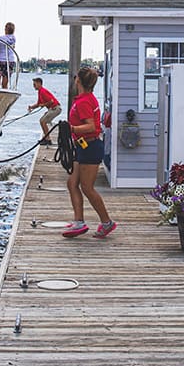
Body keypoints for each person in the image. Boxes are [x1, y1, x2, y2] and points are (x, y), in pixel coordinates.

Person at [63, 66, 117, 238]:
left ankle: (107, 222)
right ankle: (79, 222)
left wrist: (70, 128)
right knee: (72, 183)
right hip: (83, 146)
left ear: (78, 79)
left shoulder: (85, 101)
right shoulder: (83, 99)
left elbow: (91, 126)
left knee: (87, 187)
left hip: (90, 147)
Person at [27, 77, 62, 145]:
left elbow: (51, 101)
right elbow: (38, 104)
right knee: (42, 121)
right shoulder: (40, 92)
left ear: (39, 83)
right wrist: (31, 107)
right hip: (52, 108)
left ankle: (48, 139)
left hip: (55, 108)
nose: (33, 86)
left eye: (35, 84)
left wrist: (44, 104)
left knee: (43, 121)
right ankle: (46, 138)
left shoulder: (43, 91)